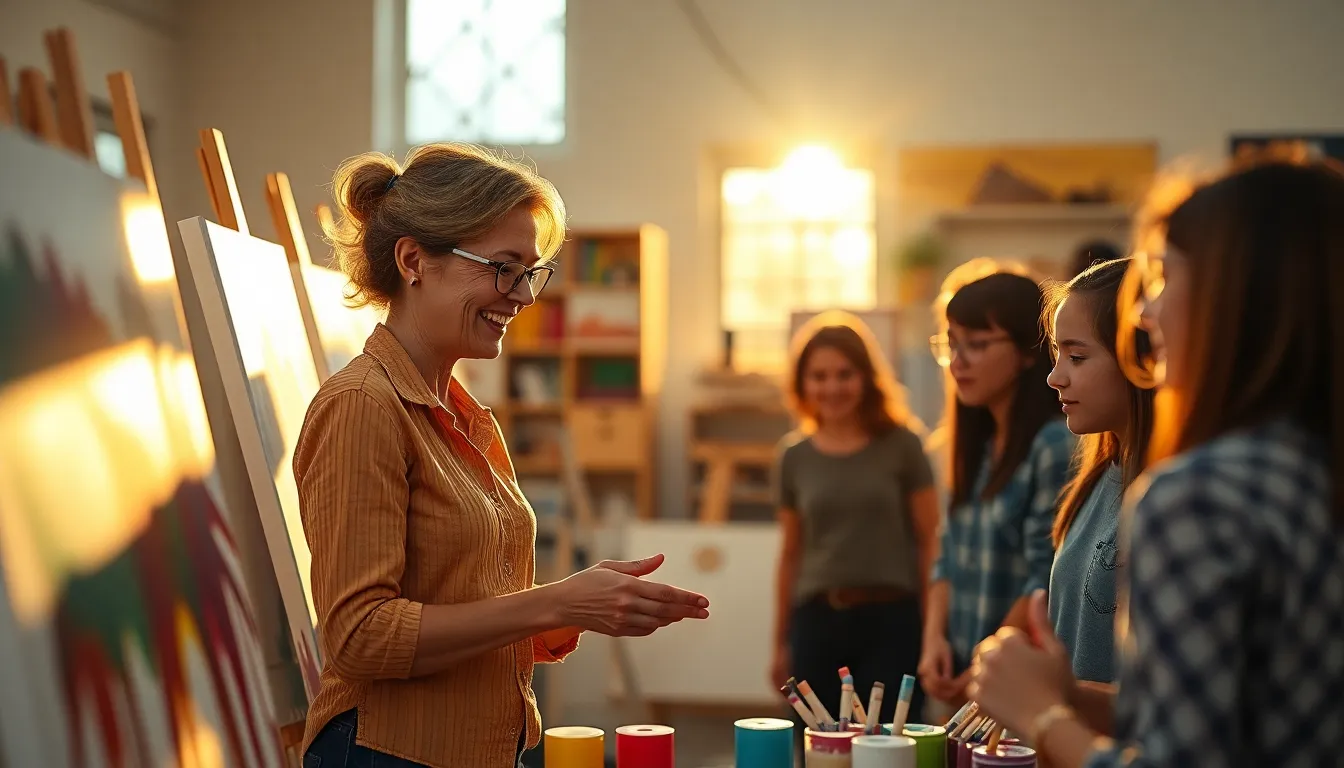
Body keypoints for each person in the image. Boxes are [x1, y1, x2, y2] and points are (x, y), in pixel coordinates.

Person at [295, 143, 710, 768]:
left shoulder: (458, 412)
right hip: (388, 753)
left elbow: (465, 602)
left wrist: (579, 608)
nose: (522, 295)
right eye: (502, 267)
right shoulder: (362, 405)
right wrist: (559, 601)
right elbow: (360, 637)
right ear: (414, 261)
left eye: (530, 272)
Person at [969, 159, 1344, 766]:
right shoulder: (1307, 473)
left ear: (1241, 300)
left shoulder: (1203, 495)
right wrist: (1065, 696)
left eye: (1166, 281)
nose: (1144, 317)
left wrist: (1043, 716)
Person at [770, 313, 938, 730]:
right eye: (819, 376)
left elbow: (930, 541)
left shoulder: (904, 445)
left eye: (844, 374)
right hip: (816, 623)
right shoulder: (793, 456)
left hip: (892, 622)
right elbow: (790, 552)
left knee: (888, 747)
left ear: (866, 377)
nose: (832, 387)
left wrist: (934, 630)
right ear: (802, 383)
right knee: (819, 748)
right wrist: (779, 643)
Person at [917, 272, 1075, 710]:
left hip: (1014, 682)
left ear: (1027, 353)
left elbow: (1044, 577)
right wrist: (933, 642)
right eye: (951, 345)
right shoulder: (978, 445)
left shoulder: (1052, 443)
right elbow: (945, 556)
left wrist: (987, 667)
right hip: (964, 671)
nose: (959, 362)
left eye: (978, 344)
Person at [1043, 258, 1155, 684]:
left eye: (1076, 356)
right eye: (1057, 354)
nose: (1055, 377)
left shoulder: (1174, 494)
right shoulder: (1097, 480)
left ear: (1141, 357)